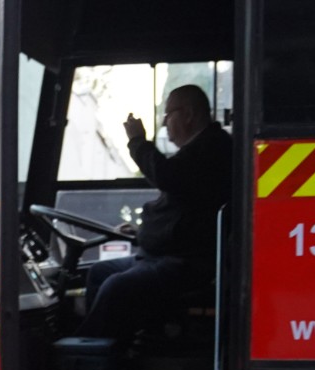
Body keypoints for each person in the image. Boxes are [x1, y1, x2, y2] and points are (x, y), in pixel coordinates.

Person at [81, 84, 232, 344]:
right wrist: (142, 234)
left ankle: (85, 358)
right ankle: (111, 353)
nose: (164, 123)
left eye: (168, 114)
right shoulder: (197, 151)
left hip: (187, 263)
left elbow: (167, 176)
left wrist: (138, 141)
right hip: (163, 254)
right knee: (98, 273)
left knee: (116, 287)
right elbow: (182, 209)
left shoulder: (212, 148)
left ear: (188, 114)